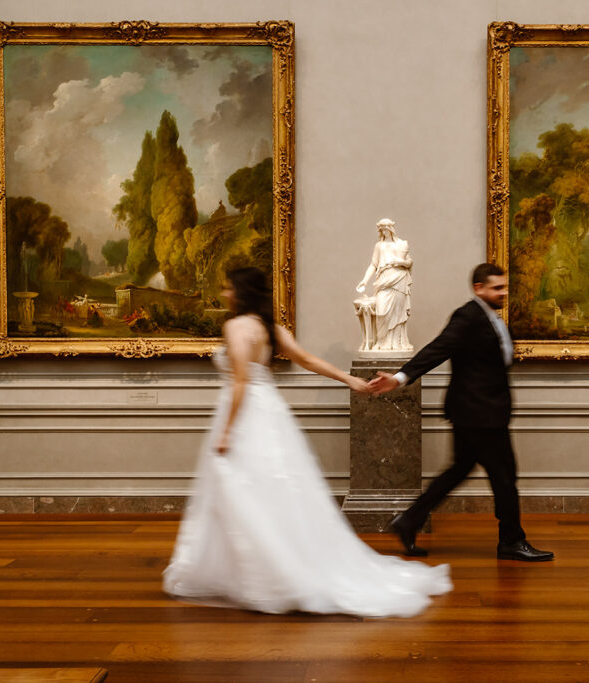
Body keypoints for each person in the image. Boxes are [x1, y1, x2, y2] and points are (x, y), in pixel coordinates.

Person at [164, 266, 451, 617]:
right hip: (268, 413)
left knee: (243, 493)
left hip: (247, 415)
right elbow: (308, 360)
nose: (224, 294)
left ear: (239, 292)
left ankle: (262, 573)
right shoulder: (270, 329)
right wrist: (350, 380)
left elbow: (240, 382)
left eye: (226, 288)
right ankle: (259, 568)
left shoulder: (237, 327)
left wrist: (226, 432)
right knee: (269, 494)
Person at [369, 263, 554, 562]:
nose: (503, 292)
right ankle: (511, 540)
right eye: (497, 288)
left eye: (504, 287)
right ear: (478, 288)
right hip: (480, 415)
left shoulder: (490, 318)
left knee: (458, 471)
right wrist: (400, 377)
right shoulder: (468, 316)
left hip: (478, 412)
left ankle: (408, 521)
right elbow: (438, 348)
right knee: (504, 477)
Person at [355, 218, 413, 353]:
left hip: (399, 279)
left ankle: (395, 344)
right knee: (381, 312)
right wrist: (365, 280)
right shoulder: (379, 246)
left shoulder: (401, 244)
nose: (385, 231)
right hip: (384, 280)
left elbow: (409, 262)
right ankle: (381, 342)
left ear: (391, 229)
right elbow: (374, 264)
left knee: (398, 314)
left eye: (387, 228)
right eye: (382, 229)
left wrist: (400, 262)